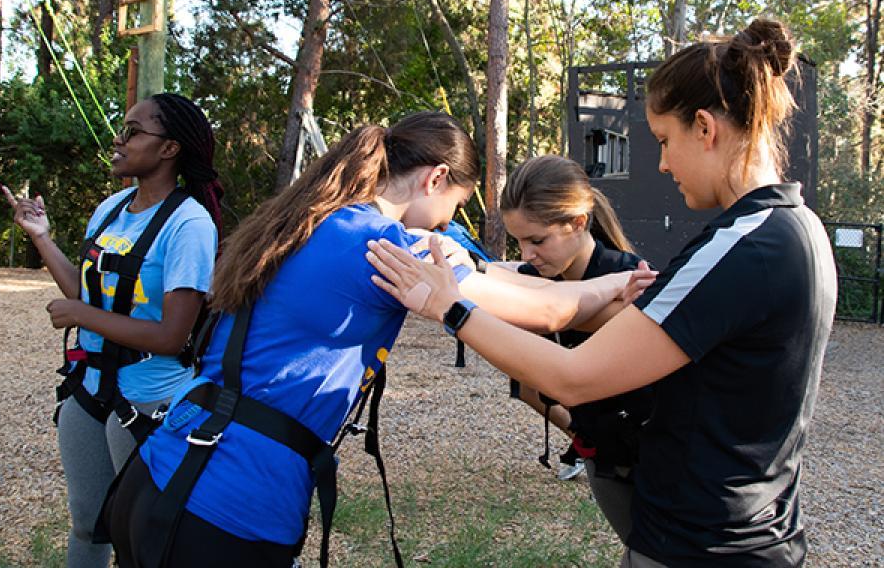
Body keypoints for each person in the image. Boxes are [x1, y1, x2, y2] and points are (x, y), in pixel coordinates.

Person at [367, 19, 836, 566]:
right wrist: (479, 275)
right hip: (750, 534)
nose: (662, 163)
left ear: (705, 127)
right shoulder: (795, 229)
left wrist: (450, 307)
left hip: (703, 546)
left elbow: (575, 376)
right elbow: (622, 322)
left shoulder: (743, 247)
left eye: (665, 140)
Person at [103, 111, 645, 567]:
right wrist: (625, 283)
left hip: (164, 474)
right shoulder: (384, 248)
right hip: (226, 505)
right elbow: (551, 309)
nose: (449, 224)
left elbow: (491, 275)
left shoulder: (320, 219)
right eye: (455, 207)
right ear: (435, 179)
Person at [1, 93, 222, 568]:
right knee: (87, 521)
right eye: (122, 130)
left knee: (143, 536)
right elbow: (85, 294)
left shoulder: (189, 224)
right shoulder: (112, 208)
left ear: (169, 149)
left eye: (133, 132)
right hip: (88, 390)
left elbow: (171, 336)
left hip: (149, 403)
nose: (119, 142)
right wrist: (42, 237)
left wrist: (81, 318)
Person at [488, 154, 652, 541]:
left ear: (578, 222)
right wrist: (580, 435)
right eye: (519, 242)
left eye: (537, 240)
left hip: (655, 460)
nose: (526, 254)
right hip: (604, 462)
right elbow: (527, 384)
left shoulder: (632, 276)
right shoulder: (532, 279)